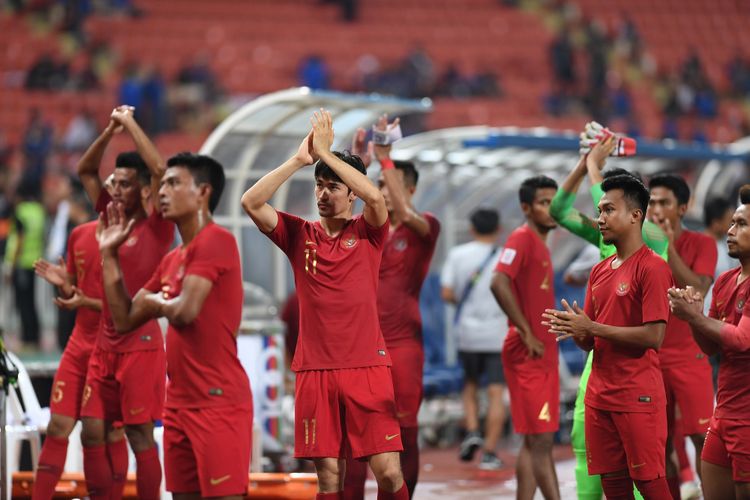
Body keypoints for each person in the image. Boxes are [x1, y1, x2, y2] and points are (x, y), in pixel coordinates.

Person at [241, 109, 409, 500]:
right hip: (314, 370)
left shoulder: (369, 232)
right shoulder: (298, 234)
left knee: (387, 473)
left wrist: (327, 153)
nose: (323, 193)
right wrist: (302, 158)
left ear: (350, 192)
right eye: (318, 185)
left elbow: (374, 195)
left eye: (333, 186)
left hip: (367, 366)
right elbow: (252, 201)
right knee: (329, 479)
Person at [97, 152, 254, 499]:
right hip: (178, 406)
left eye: (173, 183)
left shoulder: (217, 240)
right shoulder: (172, 259)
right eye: (162, 184)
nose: (162, 192)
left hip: (218, 402)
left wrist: (155, 303)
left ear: (203, 192)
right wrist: (108, 255)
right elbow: (123, 319)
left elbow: (185, 312)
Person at [548, 136, 666, 500]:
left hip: (636, 394)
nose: (599, 218)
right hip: (598, 393)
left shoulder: (654, 265)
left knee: (647, 482)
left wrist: (591, 327)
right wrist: (576, 331)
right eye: (599, 210)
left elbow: (653, 338)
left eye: (608, 210)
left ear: (635, 215)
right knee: (612, 484)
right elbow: (591, 339)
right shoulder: (599, 269)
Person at [343, 117, 440, 499]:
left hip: (402, 345)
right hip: (361, 345)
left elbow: (401, 208)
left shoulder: (424, 227)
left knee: (403, 431)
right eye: (378, 186)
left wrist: (386, 161)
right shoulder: (366, 230)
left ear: (408, 188)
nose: (379, 192)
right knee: (355, 436)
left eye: (386, 186)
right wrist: (355, 166)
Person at [77, 106, 172, 499]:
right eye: (114, 182)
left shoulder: (158, 224)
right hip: (105, 343)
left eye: (126, 183)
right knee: (92, 429)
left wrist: (130, 123)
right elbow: (85, 170)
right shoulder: (108, 215)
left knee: (138, 433)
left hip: (140, 344)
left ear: (146, 191)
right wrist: (108, 131)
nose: (115, 188)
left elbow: (162, 172)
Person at [32, 219, 125, 499]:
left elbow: (129, 304)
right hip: (78, 343)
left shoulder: (132, 238)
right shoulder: (80, 234)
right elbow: (75, 291)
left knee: (102, 433)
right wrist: (65, 286)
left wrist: (84, 301)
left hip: (111, 346)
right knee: (57, 426)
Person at [668, 185, 750, 500]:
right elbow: (710, 347)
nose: (730, 230)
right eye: (731, 223)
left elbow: (742, 340)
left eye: (741, 224)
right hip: (724, 413)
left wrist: (696, 317)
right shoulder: (727, 281)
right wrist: (693, 316)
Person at [490, 175, 560, 500]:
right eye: (544, 203)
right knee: (543, 441)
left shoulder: (541, 244)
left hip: (542, 354)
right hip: (529, 352)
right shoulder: (522, 238)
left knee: (534, 440)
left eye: (554, 202)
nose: (552, 210)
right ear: (526, 208)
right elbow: (498, 282)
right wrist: (525, 330)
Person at [647, 173, 717, 496]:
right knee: (658, 444)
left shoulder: (702, 244)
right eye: (652, 202)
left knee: (702, 439)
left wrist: (668, 247)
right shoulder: (638, 246)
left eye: (664, 202)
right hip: (651, 358)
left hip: (690, 356)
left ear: (683, 208)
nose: (656, 210)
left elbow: (697, 289)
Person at [441, 208, 507, 470]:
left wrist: (465, 305)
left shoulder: (458, 255)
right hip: (497, 334)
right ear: (498, 229)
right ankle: (490, 451)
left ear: (471, 228)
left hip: (467, 334)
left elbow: (447, 293)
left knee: (469, 384)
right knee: (495, 392)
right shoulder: (505, 256)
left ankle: (471, 430)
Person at [3, 178, 45, 350]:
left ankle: (28, 340)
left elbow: (18, 238)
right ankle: (34, 337)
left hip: (21, 262)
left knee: (23, 303)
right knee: (31, 302)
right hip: (34, 262)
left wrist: (11, 264)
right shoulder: (39, 210)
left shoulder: (20, 211)